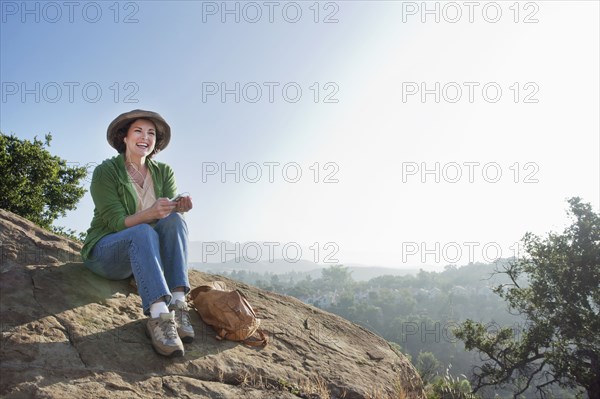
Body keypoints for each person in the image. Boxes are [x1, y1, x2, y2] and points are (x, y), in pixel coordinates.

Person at [81, 109, 194, 357]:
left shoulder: (163, 172)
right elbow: (115, 223)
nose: (145, 137)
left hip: (142, 253)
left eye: (151, 133)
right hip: (106, 253)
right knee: (141, 231)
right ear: (125, 137)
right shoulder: (106, 172)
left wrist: (179, 205)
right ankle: (159, 316)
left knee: (175, 219)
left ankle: (178, 303)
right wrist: (151, 212)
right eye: (138, 131)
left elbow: (168, 221)